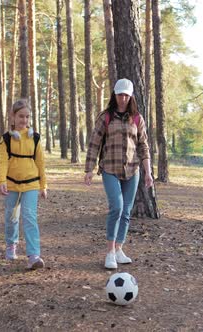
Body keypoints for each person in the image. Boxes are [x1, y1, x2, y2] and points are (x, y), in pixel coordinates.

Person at [84, 78, 154, 269]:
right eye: (119, 94)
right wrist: (89, 169)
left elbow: (143, 146)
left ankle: (119, 249)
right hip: (110, 169)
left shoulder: (137, 119)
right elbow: (94, 144)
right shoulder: (105, 117)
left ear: (131, 96)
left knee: (126, 212)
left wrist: (148, 172)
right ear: (114, 95)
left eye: (126, 95)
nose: (122, 98)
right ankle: (109, 253)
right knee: (116, 207)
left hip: (133, 171)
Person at [0, 99, 47, 270]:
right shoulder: (6, 139)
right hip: (12, 185)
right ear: (13, 116)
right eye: (20, 116)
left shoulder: (35, 138)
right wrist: (2, 181)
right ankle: (11, 244)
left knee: (29, 217)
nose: (24, 120)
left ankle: (34, 256)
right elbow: (2, 162)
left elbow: (40, 162)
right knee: (11, 218)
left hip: (31, 185)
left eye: (27, 117)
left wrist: (43, 185)